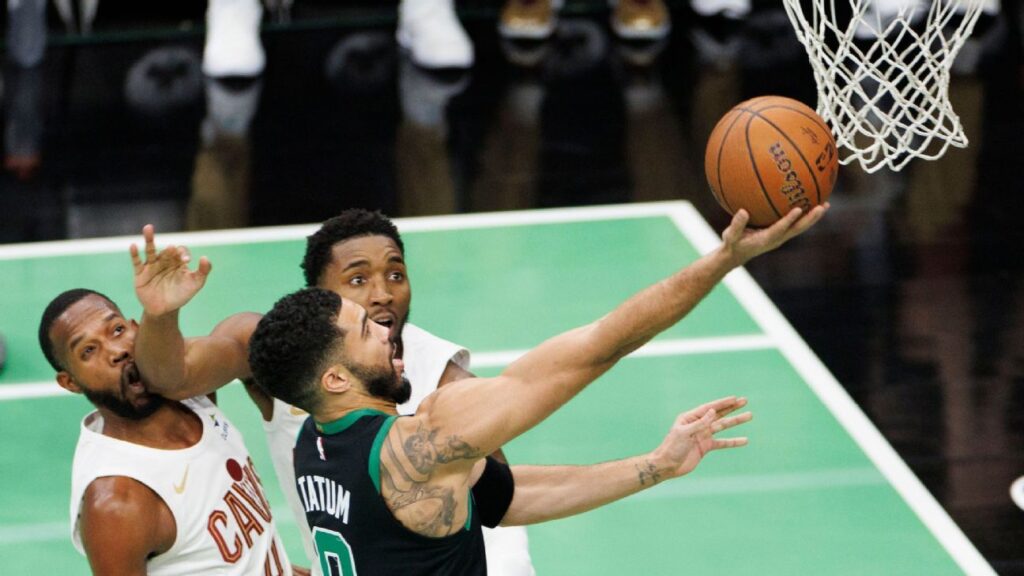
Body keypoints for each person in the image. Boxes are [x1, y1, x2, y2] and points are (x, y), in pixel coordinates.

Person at [245, 204, 827, 574]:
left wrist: (654, 465)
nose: (387, 326)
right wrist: (723, 260)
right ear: (336, 378)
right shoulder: (421, 445)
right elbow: (601, 346)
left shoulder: (311, 446)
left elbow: (503, 498)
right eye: (365, 330)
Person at [132, 211, 536, 575]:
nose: (383, 293)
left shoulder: (443, 376)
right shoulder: (281, 354)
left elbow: (499, 505)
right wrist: (161, 314)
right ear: (317, 295)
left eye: (396, 274)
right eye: (358, 280)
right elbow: (171, 377)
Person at [37, 285, 306, 575]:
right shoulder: (117, 501)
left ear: (136, 327)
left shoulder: (191, 393)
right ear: (70, 382)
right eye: (88, 350)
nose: (117, 351)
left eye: (116, 330)